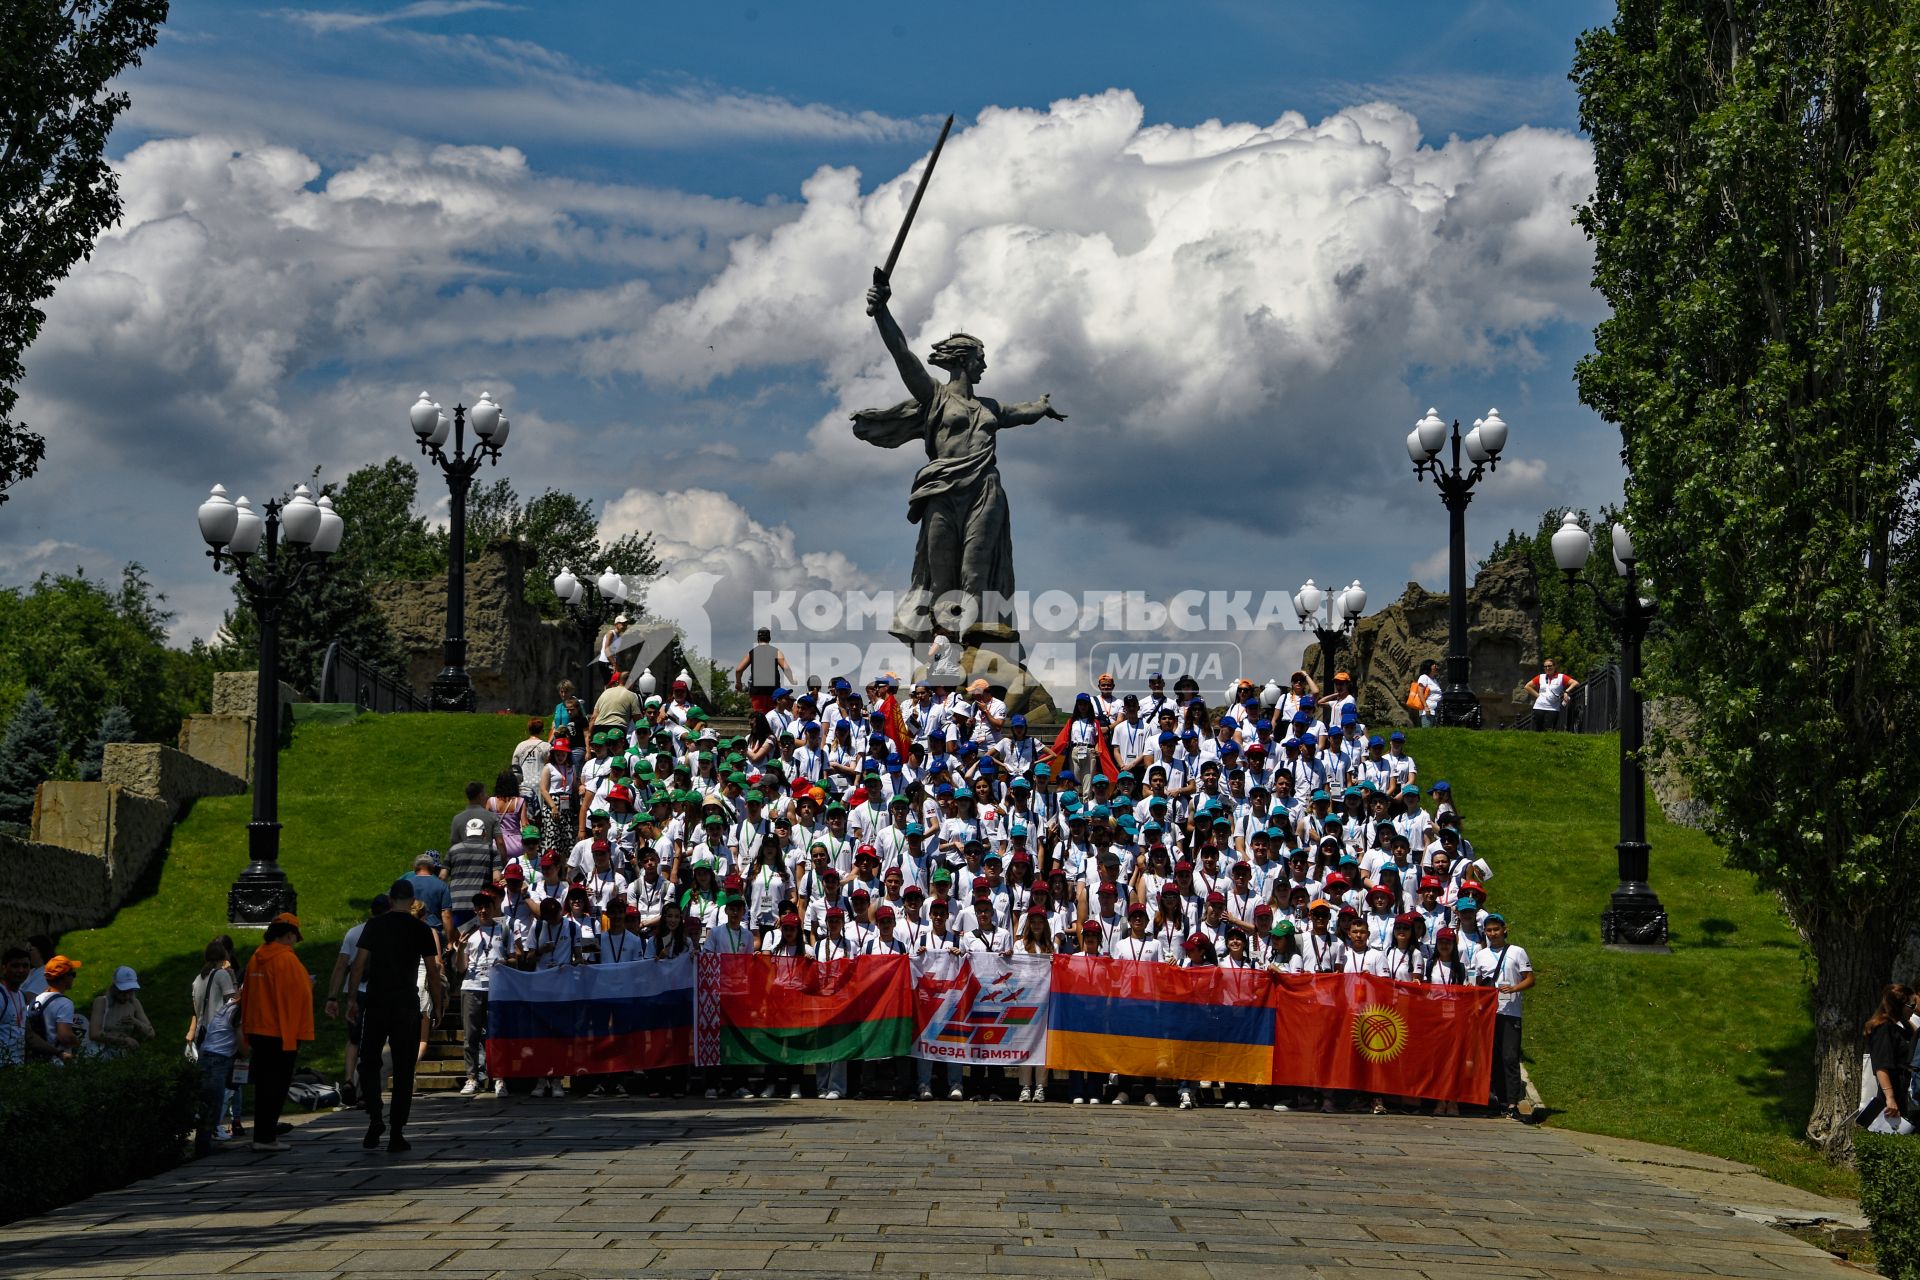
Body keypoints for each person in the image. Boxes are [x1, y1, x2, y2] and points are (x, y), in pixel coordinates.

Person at [348, 881, 445, 1153]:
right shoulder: (421, 929)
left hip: (377, 1002)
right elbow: (433, 971)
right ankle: (397, 1132)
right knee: (404, 1069)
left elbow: (358, 965)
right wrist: (437, 1005)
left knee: (368, 1061)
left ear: (390, 900)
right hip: (406, 1004)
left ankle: (375, 1115)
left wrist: (352, 999)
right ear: (411, 900)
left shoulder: (375, 925)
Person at [238, 918, 314, 1153]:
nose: (294, 943)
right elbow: (296, 997)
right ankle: (266, 1137)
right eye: (294, 937)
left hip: (258, 1030)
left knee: (263, 1085)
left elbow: (247, 996)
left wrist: (246, 1033)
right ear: (289, 934)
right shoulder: (287, 960)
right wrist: (309, 985)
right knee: (277, 1086)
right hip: (281, 1033)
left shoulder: (255, 958)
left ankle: (262, 1133)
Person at [323, 897, 387, 1107]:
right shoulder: (389, 932)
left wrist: (332, 996)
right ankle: (366, 1090)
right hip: (379, 993)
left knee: (353, 1040)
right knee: (374, 1043)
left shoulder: (354, 932)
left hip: (355, 993)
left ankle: (349, 1079)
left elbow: (341, 965)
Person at [1472, 912, 1535, 1118]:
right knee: (1493, 1058)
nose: (1493, 933)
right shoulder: (1480, 954)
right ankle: (1498, 1101)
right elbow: (1475, 981)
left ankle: (1512, 1104)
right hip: (1489, 1013)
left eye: (1496, 929)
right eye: (1489, 930)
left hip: (1510, 1013)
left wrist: (1514, 988)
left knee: (1509, 1057)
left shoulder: (1517, 952)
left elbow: (1530, 979)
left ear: (1504, 929)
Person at [459, 890, 510, 1098]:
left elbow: (514, 957)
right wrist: (460, 948)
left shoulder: (503, 929)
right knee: (471, 1035)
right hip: (471, 986)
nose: (482, 910)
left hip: (496, 988)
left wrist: (505, 962)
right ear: (475, 909)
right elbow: (460, 968)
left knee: (495, 1035)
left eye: (486, 906)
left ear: (493, 907)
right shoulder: (468, 931)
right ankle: (472, 1078)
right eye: (479, 907)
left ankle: (499, 1078)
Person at [1860, 984, 1917, 1134]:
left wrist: (1905, 1018)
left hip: (1904, 1090)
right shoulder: (1883, 1029)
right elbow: (1881, 1066)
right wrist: (1890, 1098)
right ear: (1900, 1006)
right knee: (1892, 1132)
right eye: (1911, 1005)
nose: (1914, 1009)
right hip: (1892, 1091)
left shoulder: (1901, 1028)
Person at [24, 954, 82, 1064]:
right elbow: (64, 1036)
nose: (74, 978)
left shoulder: (37, 999)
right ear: (64, 977)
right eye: (72, 974)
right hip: (57, 1061)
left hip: (36, 1060)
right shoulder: (65, 1003)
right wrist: (79, 1044)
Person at [89, 966, 154, 1058]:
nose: (127, 996)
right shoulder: (102, 1002)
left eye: (130, 991)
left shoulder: (134, 1003)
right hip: (101, 1054)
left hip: (123, 1055)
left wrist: (135, 1022)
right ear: (114, 987)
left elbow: (150, 1033)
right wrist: (123, 1040)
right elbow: (94, 1033)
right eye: (122, 992)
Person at [734, 627, 796, 713]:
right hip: (773, 692)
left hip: (757, 692)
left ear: (758, 639)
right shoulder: (776, 652)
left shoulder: (752, 653)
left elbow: (738, 670)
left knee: (760, 719)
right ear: (769, 639)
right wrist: (792, 680)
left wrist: (738, 683)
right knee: (773, 718)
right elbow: (786, 668)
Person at [1525, 658, 1578, 731]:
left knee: (1549, 730)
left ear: (1554, 666)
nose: (1547, 668)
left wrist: (1566, 691)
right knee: (1537, 730)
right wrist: (1538, 696)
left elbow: (1575, 683)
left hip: (1553, 708)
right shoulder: (1541, 677)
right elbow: (1527, 686)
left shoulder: (1561, 677)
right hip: (1539, 707)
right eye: (1545, 666)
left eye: (1550, 666)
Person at [0, 945, 30, 1066]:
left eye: (25, 966)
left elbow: (29, 1035)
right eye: (15, 966)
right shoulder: (1, 995)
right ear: (3, 968)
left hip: (16, 1069)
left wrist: (58, 1053)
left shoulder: (21, 996)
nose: (21, 970)